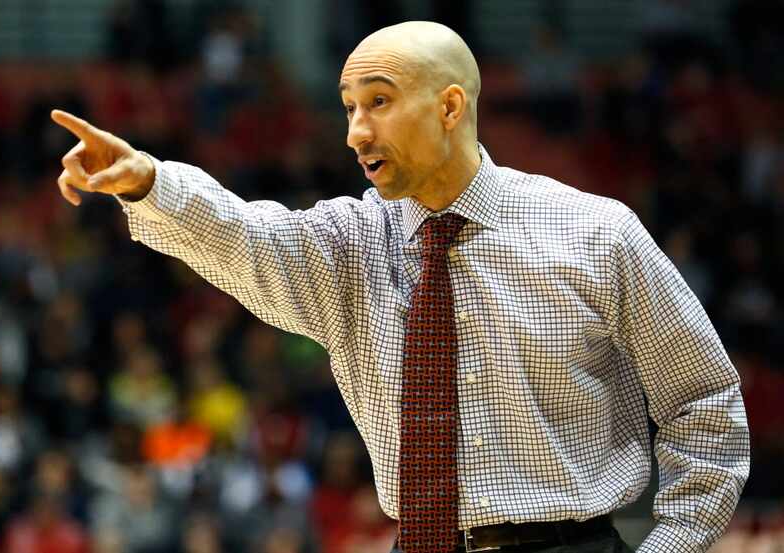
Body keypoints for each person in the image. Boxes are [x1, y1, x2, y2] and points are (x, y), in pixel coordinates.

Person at [51, 21, 749, 553]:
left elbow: (705, 407)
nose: (356, 132)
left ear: (450, 107)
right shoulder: (349, 242)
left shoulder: (595, 232)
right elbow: (245, 236)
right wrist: (148, 180)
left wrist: (670, 545)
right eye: (349, 106)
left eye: (378, 102)